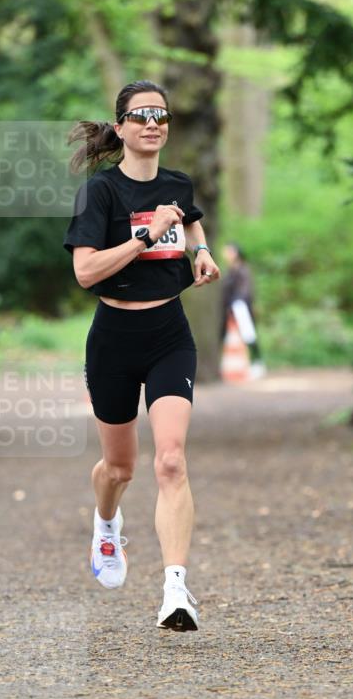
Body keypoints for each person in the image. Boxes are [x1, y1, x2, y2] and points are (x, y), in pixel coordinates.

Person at [63, 79, 220, 632]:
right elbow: (85, 272)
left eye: (162, 115)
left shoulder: (177, 183)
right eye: (141, 115)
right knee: (120, 468)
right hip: (113, 338)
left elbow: (191, 216)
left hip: (168, 333)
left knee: (171, 460)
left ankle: (175, 590)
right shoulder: (100, 193)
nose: (153, 123)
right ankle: (107, 526)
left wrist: (200, 252)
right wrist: (145, 238)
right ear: (122, 126)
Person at [221, 242, 265, 377]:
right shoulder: (230, 270)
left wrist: (235, 306)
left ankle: (257, 364)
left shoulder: (243, 270)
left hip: (240, 308)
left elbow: (245, 291)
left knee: (249, 335)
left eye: (229, 251)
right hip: (230, 308)